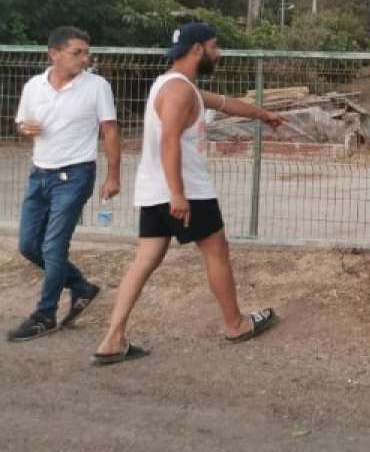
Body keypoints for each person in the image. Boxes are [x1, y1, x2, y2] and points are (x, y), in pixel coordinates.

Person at [91, 22, 285, 365]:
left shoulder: (174, 85)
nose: (218, 52)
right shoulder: (180, 92)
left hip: (155, 191)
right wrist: (178, 195)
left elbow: (225, 103)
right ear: (197, 49)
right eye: (215, 46)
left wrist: (263, 115)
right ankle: (235, 324)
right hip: (185, 191)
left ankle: (112, 339)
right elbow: (169, 142)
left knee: (145, 259)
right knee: (217, 253)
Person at [8, 27, 121, 342]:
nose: (84, 59)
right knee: (29, 246)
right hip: (39, 173)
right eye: (77, 53)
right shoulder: (34, 86)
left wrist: (113, 175)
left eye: (86, 52)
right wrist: (24, 129)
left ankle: (45, 314)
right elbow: (21, 123)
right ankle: (81, 287)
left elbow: (110, 131)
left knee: (53, 247)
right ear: (54, 54)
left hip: (75, 176)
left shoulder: (96, 87)